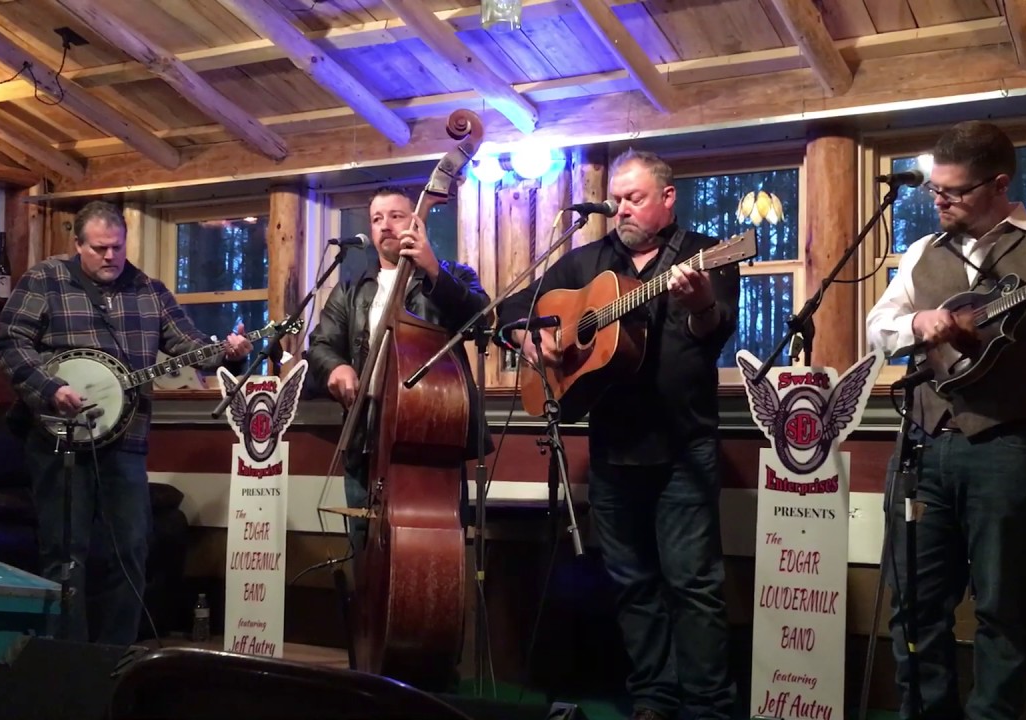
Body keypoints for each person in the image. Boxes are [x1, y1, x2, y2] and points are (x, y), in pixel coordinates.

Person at [865, 121, 1026, 719]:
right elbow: (878, 330)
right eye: (934, 190)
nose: (939, 201)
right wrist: (917, 325)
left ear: (998, 184)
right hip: (925, 447)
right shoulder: (924, 253)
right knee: (916, 608)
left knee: (1002, 610)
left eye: (952, 192)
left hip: (1013, 450)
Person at [498, 149, 740, 720]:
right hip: (611, 448)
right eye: (616, 200)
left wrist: (700, 304)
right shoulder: (589, 260)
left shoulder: (705, 255)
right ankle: (653, 698)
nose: (621, 210)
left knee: (693, 586)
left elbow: (715, 331)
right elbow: (511, 311)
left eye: (634, 198)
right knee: (632, 583)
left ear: (666, 198)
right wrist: (530, 342)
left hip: (683, 445)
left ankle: (707, 707)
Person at [0, 200, 253, 645]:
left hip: (126, 441)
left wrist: (230, 350)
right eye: (98, 249)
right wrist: (50, 387)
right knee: (65, 555)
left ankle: (111, 659)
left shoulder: (148, 290)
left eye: (117, 247)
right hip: (60, 440)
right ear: (77, 245)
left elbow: (189, 344)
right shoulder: (45, 279)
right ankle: (66, 662)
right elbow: (9, 342)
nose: (110, 257)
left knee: (130, 550)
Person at [308, 186, 492, 553]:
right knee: (365, 551)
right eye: (377, 219)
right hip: (366, 437)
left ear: (417, 221)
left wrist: (432, 269)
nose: (385, 225)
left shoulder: (452, 275)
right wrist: (336, 367)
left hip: (428, 435)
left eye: (396, 216)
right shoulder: (351, 289)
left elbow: (480, 319)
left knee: (432, 552)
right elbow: (320, 345)